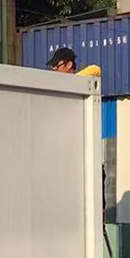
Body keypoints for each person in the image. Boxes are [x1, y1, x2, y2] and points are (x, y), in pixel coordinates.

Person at [48, 47, 106, 216]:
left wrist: (70, 83)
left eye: (56, 66)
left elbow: (95, 69)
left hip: (85, 161)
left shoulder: (80, 87)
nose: (53, 70)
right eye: (52, 66)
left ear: (69, 65)